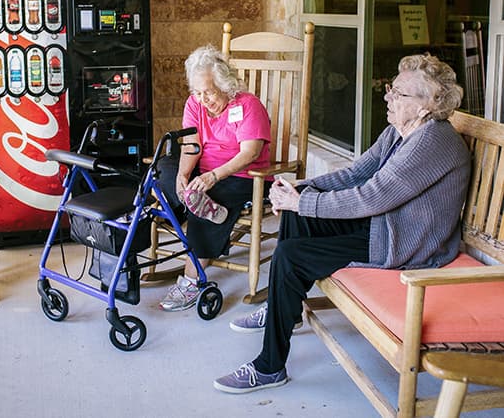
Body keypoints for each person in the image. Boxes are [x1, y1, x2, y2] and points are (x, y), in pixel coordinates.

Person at [215, 53, 471, 393]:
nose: (387, 97)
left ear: (426, 106)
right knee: (296, 213)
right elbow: (357, 173)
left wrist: (303, 200)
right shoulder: (400, 131)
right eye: (390, 89)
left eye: (398, 93)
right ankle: (285, 310)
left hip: (408, 242)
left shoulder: (432, 142)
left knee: (291, 254)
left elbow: (372, 196)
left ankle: (269, 367)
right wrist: (301, 190)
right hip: (383, 225)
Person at [158, 44, 272, 311]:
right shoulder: (194, 104)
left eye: (208, 91)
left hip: (243, 175)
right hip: (205, 172)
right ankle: (199, 205)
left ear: (225, 84)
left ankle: (191, 280)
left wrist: (211, 177)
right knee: (164, 169)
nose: (203, 99)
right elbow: (191, 145)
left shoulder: (247, 105)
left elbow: (250, 153)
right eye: (197, 92)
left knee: (208, 196)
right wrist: (184, 174)